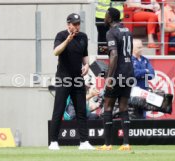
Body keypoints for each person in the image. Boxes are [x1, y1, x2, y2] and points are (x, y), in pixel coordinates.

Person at [48, 13, 94, 150]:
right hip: (64, 78)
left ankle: (84, 142)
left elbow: (85, 55)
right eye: (74, 24)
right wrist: (67, 40)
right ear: (68, 24)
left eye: (78, 23)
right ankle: (54, 141)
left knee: (81, 110)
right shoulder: (61, 35)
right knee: (59, 109)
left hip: (77, 78)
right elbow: (56, 52)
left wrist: (87, 65)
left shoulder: (83, 36)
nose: (77, 26)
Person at [97, 8, 134, 151]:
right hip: (129, 71)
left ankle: (107, 144)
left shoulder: (111, 32)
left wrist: (109, 78)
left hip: (118, 74)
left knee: (108, 107)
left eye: (106, 15)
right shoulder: (128, 31)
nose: (104, 17)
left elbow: (114, 55)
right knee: (124, 107)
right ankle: (126, 144)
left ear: (110, 18)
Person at [131, 39, 155, 119]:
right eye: (139, 47)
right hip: (132, 93)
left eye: (141, 47)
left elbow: (152, 74)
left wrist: (141, 73)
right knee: (133, 115)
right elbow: (133, 73)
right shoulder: (129, 60)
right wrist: (145, 71)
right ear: (132, 48)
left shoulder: (145, 60)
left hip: (144, 92)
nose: (141, 49)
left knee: (143, 116)